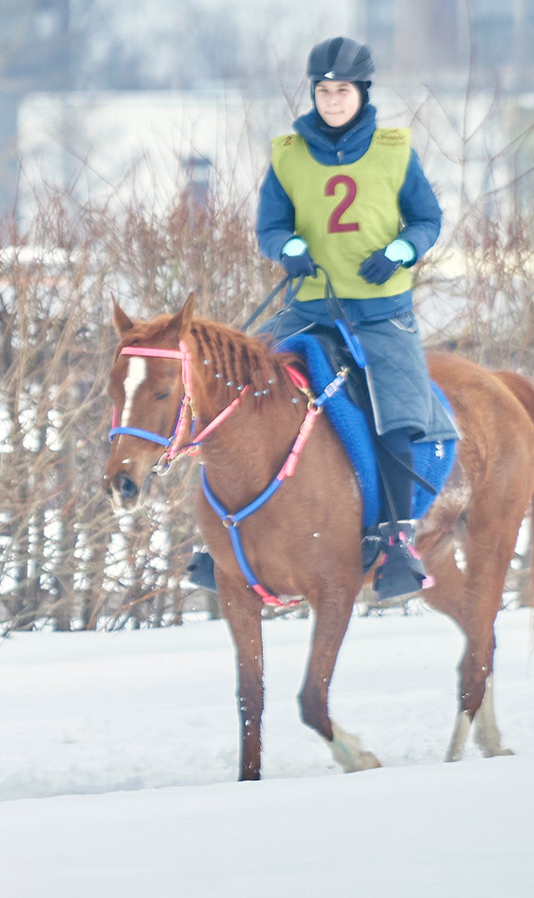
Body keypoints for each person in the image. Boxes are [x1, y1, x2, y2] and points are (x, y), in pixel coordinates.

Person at [190, 37, 447, 600]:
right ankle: (218, 543)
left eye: (343, 91)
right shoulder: (287, 152)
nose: (332, 101)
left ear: (362, 93)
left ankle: (398, 541)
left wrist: (402, 252)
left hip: (382, 313)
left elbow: (428, 218)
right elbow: (270, 227)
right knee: (237, 395)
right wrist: (287, 250)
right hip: (307, 308)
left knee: (397, 415)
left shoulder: (395, 149)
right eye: (324, 91)